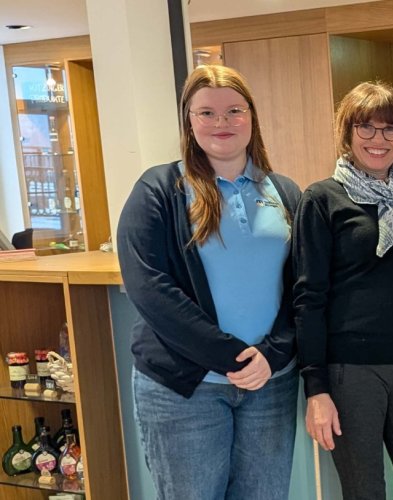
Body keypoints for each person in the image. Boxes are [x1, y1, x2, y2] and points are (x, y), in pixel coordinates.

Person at [116, 65, 300, 499]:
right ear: (189, 120)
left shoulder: (284, 191)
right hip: (185, 389)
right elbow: (149, 288)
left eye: (234, 110)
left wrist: (271, 355)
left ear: (251, 117)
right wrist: (233, 357)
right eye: (207, 113)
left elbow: (304, 288)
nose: (222, 122)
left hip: (269, 384)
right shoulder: (158, 190)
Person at [293, 81, 393, 499]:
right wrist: (316, 389)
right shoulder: (322, 200)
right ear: (347, 132)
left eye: (391, 128)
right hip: (349, 374)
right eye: (366, 127)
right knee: (364, 493)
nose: (379, 139)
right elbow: (308, 299)